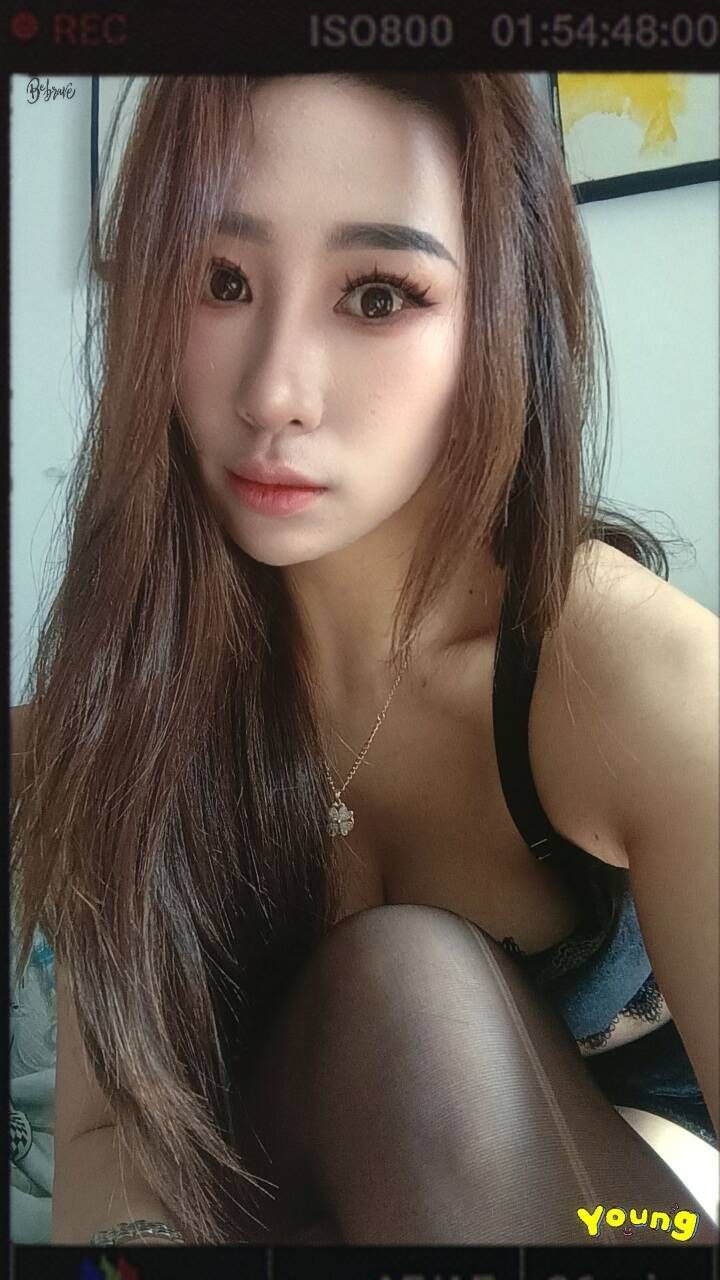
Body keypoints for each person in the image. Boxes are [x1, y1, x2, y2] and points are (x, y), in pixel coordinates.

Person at [10, 71, 718, 1248]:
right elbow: (101, 1143)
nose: (272, 392)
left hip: (628, 1202)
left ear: (501, 318)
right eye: (220, 280)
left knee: (413, 1000)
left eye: (378, 294)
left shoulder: (639, 677)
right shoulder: (136, 668)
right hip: (292, 1179)